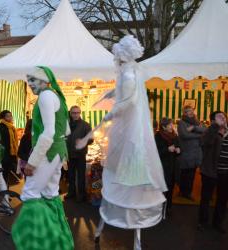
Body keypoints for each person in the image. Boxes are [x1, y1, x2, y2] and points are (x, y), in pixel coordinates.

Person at [80, 36, 166, 250]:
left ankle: (129, 226)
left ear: (122, 55)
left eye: (117, 54)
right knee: (122, 172)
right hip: (129, 131)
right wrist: (112, 94)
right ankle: (118, 222)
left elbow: (130, 101)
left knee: (127, 172)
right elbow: (128, 94)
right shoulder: (133, 71)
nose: (115, 58)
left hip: (128, 132)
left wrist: (110, 114)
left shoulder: (128, 74)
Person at [12, 66, 74, 250]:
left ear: (44, 80)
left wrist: (32, 162)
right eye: (28, 80)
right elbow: (67, 130)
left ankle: (38, 242)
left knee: (30, 193)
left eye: (33, 79)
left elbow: (48, 133)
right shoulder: (57, 96)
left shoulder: (46, 96)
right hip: (57, 151)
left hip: (48, 152)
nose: (29, 84)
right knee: (50, 194)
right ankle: (57, 241)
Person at [198, 111, 228, 233]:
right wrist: (216, 126)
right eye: (219, 117)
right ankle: (202, 222)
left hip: (225, 172)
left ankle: (218, 222)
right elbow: (206, 142)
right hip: (210, 171)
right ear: (213, 120)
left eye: (224, 116)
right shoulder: (209, 132)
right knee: (206, 197)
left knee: (222, 198)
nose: (222, 118)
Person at [178, 105, 206, 200]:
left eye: (191, 111)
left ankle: (187, 192)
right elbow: (184, 135)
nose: (190, 113)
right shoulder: (181, 122)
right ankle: (183, 191)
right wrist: (199, 135)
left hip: (196, 152)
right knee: (185, 174)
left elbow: (205, 130)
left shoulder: (196, 122)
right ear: (184, 113)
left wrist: (194, 128)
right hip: (187, 152)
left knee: (192, 174)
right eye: (187, 111)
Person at [65, 105, 92, 202]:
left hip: (80, 155)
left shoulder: (85, 125)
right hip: (70, 154)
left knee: (81, 176)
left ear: (80, 113)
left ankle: (81, 195)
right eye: (73, 113)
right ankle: (71, 193)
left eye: (77, 112)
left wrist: (83, 141)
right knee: (71, 175)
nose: (75, 115)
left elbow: (91, 139)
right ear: (70, 113)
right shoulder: (66, 125)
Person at [155, 118, 180, 215]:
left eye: (172, 124)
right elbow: (155, 152)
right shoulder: (158, 136)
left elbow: (178, 146)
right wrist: (167, 149)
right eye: (169, 124)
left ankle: (168, 206)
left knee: (170, 187)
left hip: (173, 166)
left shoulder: (174, 135)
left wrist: (178, 150)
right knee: (161, 187)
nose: (172, 126)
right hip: (162, 166)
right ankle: (158, 207)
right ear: (164, 126)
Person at [0, 110, 18, 183]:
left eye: (10, 116)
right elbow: (0, 141)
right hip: (5, 153)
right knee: (4, 172)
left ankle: (6, 186)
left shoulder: (11, 126)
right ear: (3, 117)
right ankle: (3, 189)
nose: (10, 117)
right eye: (8, 116)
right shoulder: (1, 127)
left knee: (8, 171)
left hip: (11, 153)